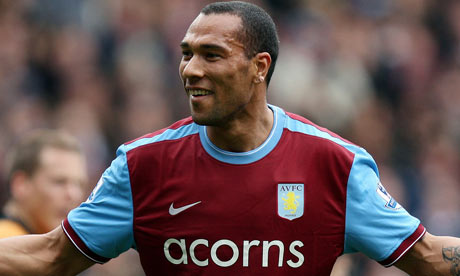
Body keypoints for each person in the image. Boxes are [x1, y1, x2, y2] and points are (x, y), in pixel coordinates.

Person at [0, 1, 459, 275]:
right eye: (186, 54)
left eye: (211, 55)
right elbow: (49, 256)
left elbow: (429, 257)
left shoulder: (335, 166)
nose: (191, 69)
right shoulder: (142, 166)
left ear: (260, 67)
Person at [0, 129, 87, 238]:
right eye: (59, 182)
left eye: (80, 184)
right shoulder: (6, 241)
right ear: (21, 185)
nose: (74, 195)